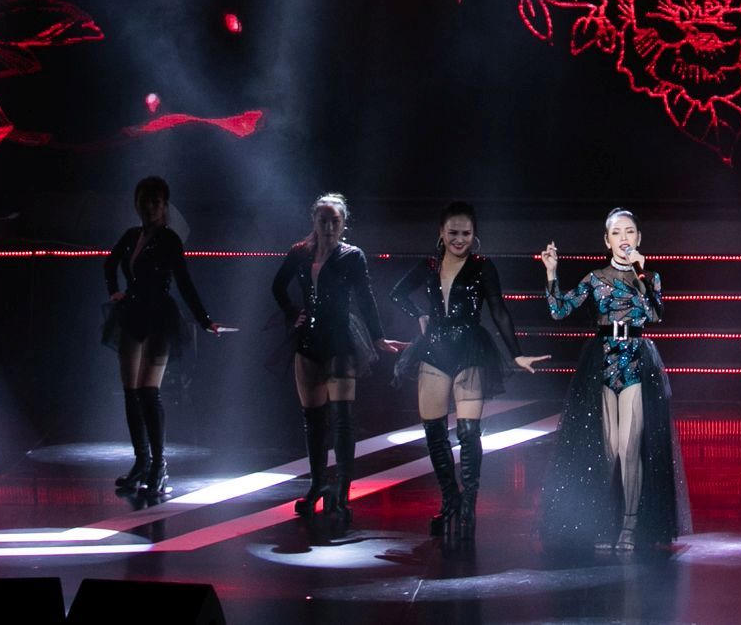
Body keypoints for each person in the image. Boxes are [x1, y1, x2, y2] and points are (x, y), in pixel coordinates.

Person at [389, 202, 548, 547]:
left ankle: (468, 508)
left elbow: (499, 311)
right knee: (434, 432)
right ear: (441, 233)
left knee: (468, 432)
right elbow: (396, 293)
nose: (459, 239)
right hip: (434, 349)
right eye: (453, 232)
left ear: (474, 235)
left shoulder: (482, 267)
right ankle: (450, 501)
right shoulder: (428, 265)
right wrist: (419, 315)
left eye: (466, 233)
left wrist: (516, 353)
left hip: (470, 350)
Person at [535, 209, 692, 556]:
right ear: (606, 240)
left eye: (630, 232)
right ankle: (605, 520)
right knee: (606, 449)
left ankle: (630, 524)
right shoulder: (595, 278)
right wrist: (551, 273)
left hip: (636, 359)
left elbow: (655, 315)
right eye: (617, 233)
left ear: (638, 238)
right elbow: (559, 310)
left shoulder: (649, 276)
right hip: (603, 359)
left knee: (628, 447)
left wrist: (642, 274)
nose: (624, 238)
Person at [104, 177, 235, 505]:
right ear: (136, 203)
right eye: (145, 201)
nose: (150, 207)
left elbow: (184, 281)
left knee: (148, 392)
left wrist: (204, 320)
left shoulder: (169, 239)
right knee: (131, 393)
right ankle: (141, 462)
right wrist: (115, 291)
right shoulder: (131, 236)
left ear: (164, 206)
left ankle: (158, 466)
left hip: (160, 318)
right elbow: (109, 263)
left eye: (156, 202)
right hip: (131, 315)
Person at [270, 193, 384, 536]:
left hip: (341, 340)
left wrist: (378, 337)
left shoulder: (352, 256)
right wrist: (293, 312)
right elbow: (277, 285)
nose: (330, 226)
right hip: (308, 340)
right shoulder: (300, 252)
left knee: (343, 420)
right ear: (314, 222)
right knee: (313, 419)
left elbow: (365, 296)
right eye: (324, 221)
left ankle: (342, 491)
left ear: (344, 223)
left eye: (335, 221)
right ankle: (318, 484)